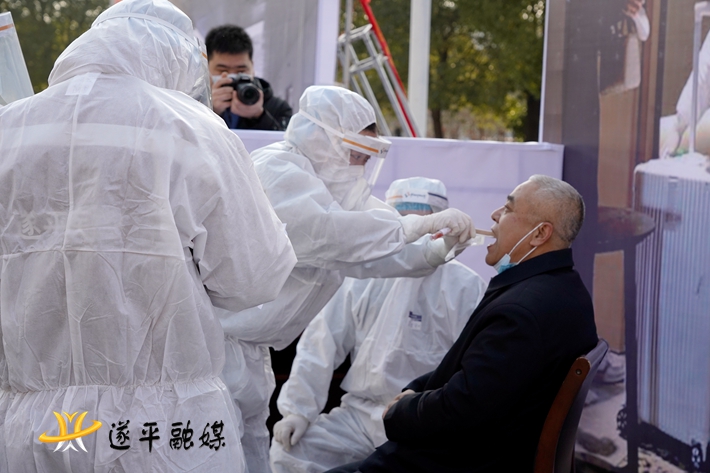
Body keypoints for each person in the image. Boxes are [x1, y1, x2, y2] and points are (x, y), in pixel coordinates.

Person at [0, 1, 297, 472]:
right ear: (178, 57)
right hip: (164, 427)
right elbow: (254, 279)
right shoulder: (193, 129)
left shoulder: (10, 128)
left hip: (35, 426)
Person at [217, 85, 477, 472]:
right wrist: (415, 228)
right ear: (322, 138)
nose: (359, 165)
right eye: (356, 152)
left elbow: (368, 252)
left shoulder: (326, 187)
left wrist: (432, 252)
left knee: (245, 456)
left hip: (251, 351)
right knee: (217, 455)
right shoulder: (277, 169)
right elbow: (331, 234)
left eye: (366, 157)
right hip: (221, 346)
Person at [326, 174, 599, 473]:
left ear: (540, 233)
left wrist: (401, 411)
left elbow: (465, 407)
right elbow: (471, 374)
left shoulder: (520, 311)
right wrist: (415, 390)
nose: (494, 214)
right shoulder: (562, 290)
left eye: (508, 209)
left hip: (453, 461)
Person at [269, 177, 488, 473]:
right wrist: (297, 410)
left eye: (422, 223)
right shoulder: (363, 275)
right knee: (290, 454)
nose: (414, 232)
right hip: (359, 415)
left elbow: (473, 368)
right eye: (404, 222)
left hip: (422, 420)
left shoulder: (465, 287)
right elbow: (322, 342)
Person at [206, 24, 292, 130]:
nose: (232, 77)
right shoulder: (193, 105)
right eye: (222, 70)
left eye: (241, 71)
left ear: (252, 67)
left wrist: (259, 116)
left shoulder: (278, 108)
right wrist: (209, 110)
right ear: (206, 67)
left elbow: (285, 139)